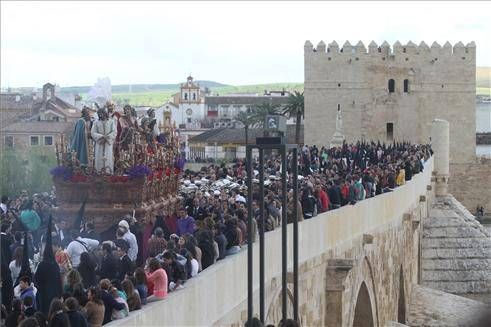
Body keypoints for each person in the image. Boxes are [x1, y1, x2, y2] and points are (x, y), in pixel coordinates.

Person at [91, 107, 117, 174]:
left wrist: (108, 137)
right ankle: (99, 172)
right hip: (100, 143)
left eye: (101, 113)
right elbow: (93, 132)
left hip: (108, 143)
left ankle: (108, 172)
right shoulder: (96, 122)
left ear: (105, 113)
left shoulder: (111, 121)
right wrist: (101, 137)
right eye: (99, 114)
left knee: (108, 158)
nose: (100, 115)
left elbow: (114, 131)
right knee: (99, 158)